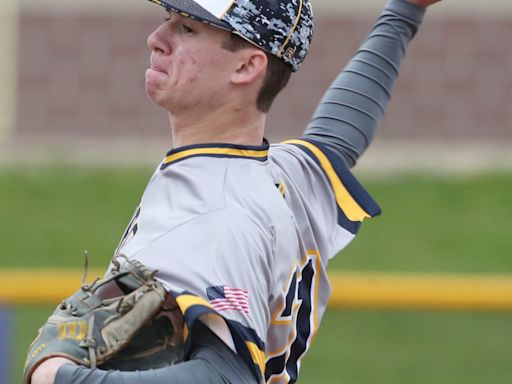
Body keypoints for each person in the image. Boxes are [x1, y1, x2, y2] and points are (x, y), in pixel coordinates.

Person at [29, 0, 442, 383]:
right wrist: (404, 12)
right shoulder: (281, 173)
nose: (157, 38)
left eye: (188, 29)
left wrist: (61, 376)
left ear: (246, 66)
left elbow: (227, 376)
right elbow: (338, 138)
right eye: (169, 20)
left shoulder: (214, 213)